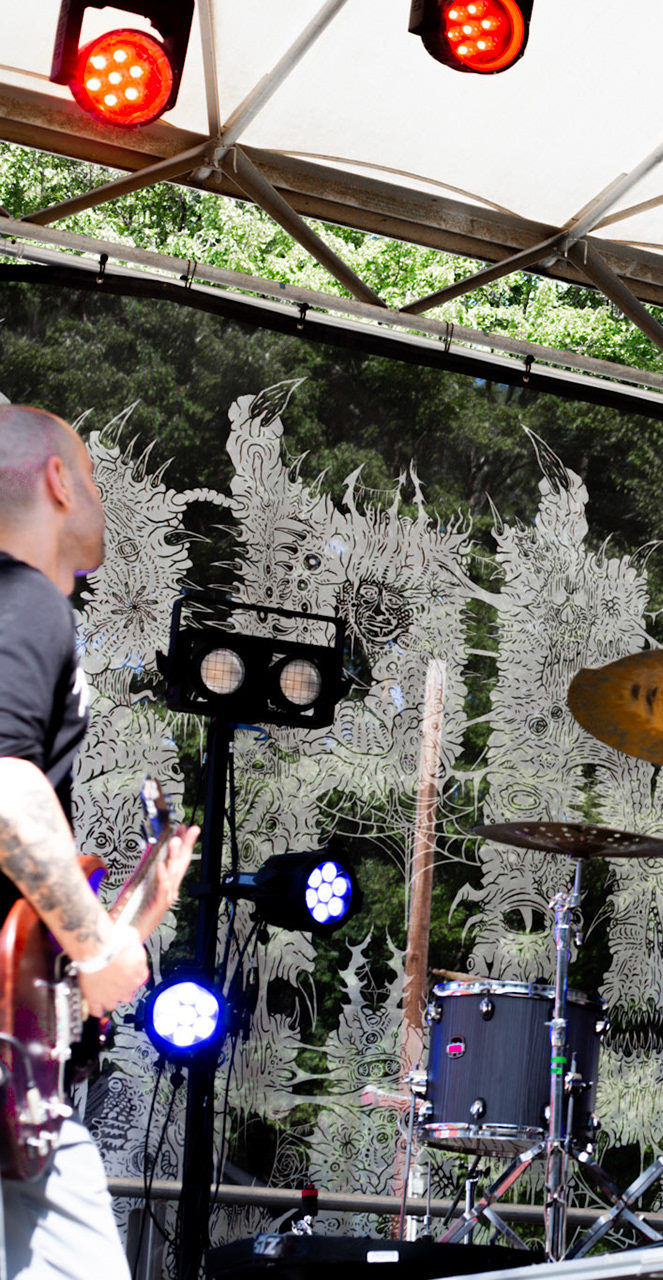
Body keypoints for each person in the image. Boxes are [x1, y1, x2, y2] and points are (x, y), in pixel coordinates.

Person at [0, 406, 199, 1280]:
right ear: (57, 481)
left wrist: (133, 918)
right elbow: (6, 791)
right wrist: (95, 945)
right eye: (91, 479)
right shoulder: (23, 601)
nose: (100, 502)